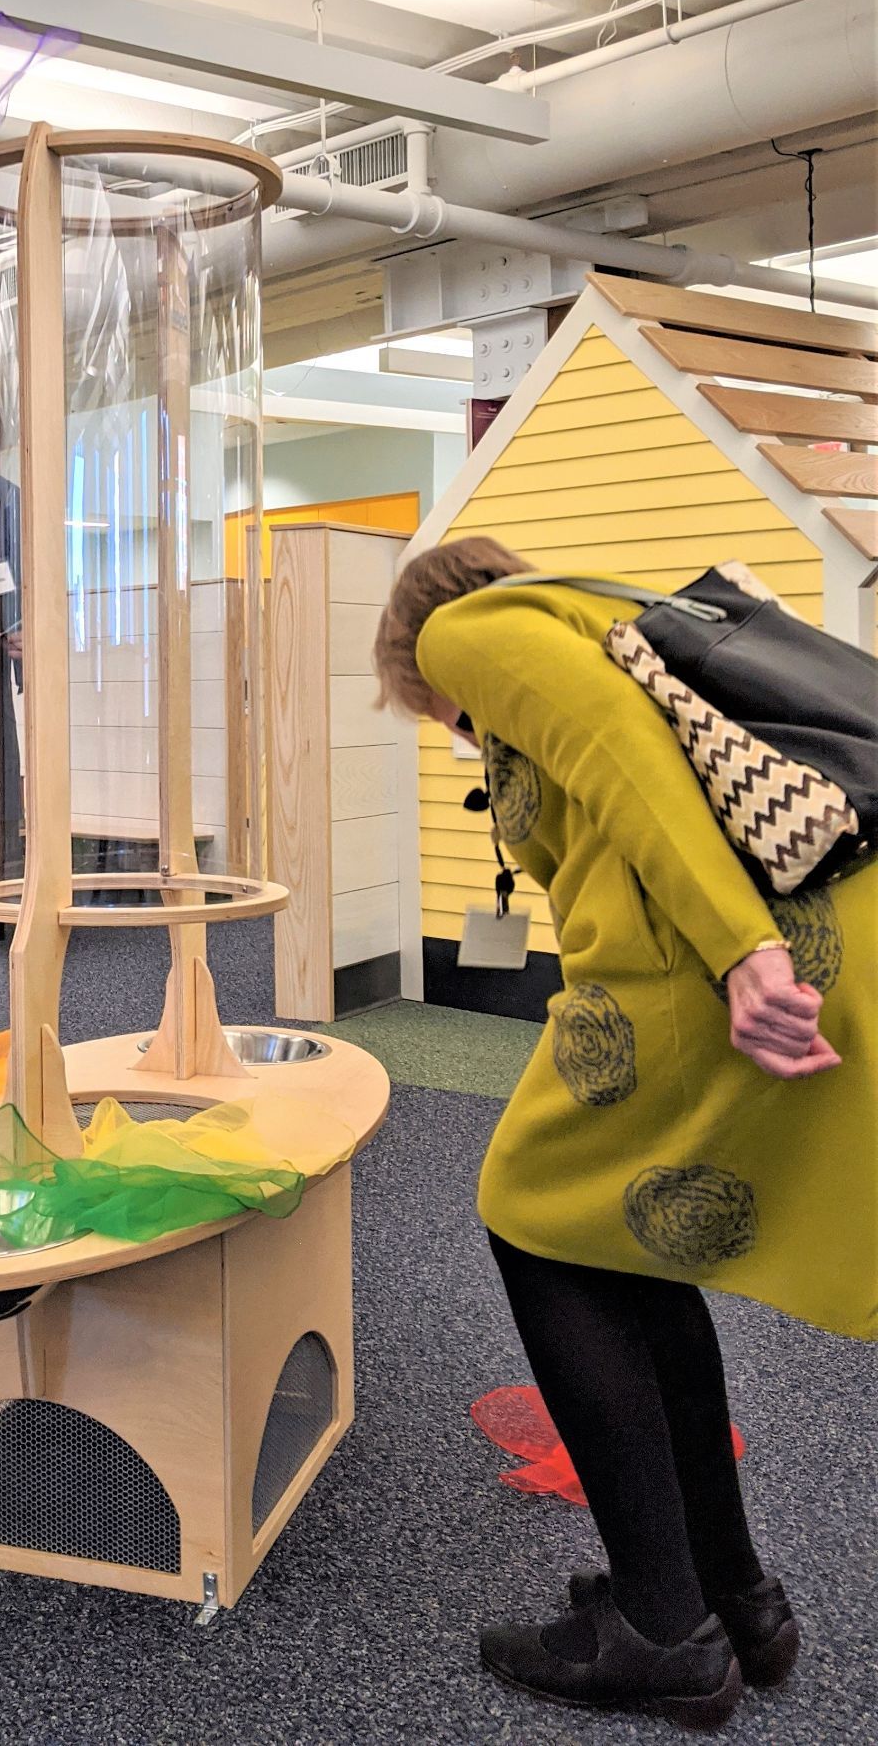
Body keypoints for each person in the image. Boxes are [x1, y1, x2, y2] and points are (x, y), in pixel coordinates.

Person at [373, 535, 874, 1728]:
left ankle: (660, 1628)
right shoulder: (595, 623)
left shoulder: (467, 630)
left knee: (529, 1213)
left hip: (712, 960)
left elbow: (620, 753)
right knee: (623, 1250)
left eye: (450, 723)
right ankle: (729, 1597)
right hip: (777, 935)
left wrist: (741, 953)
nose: (465, 738)